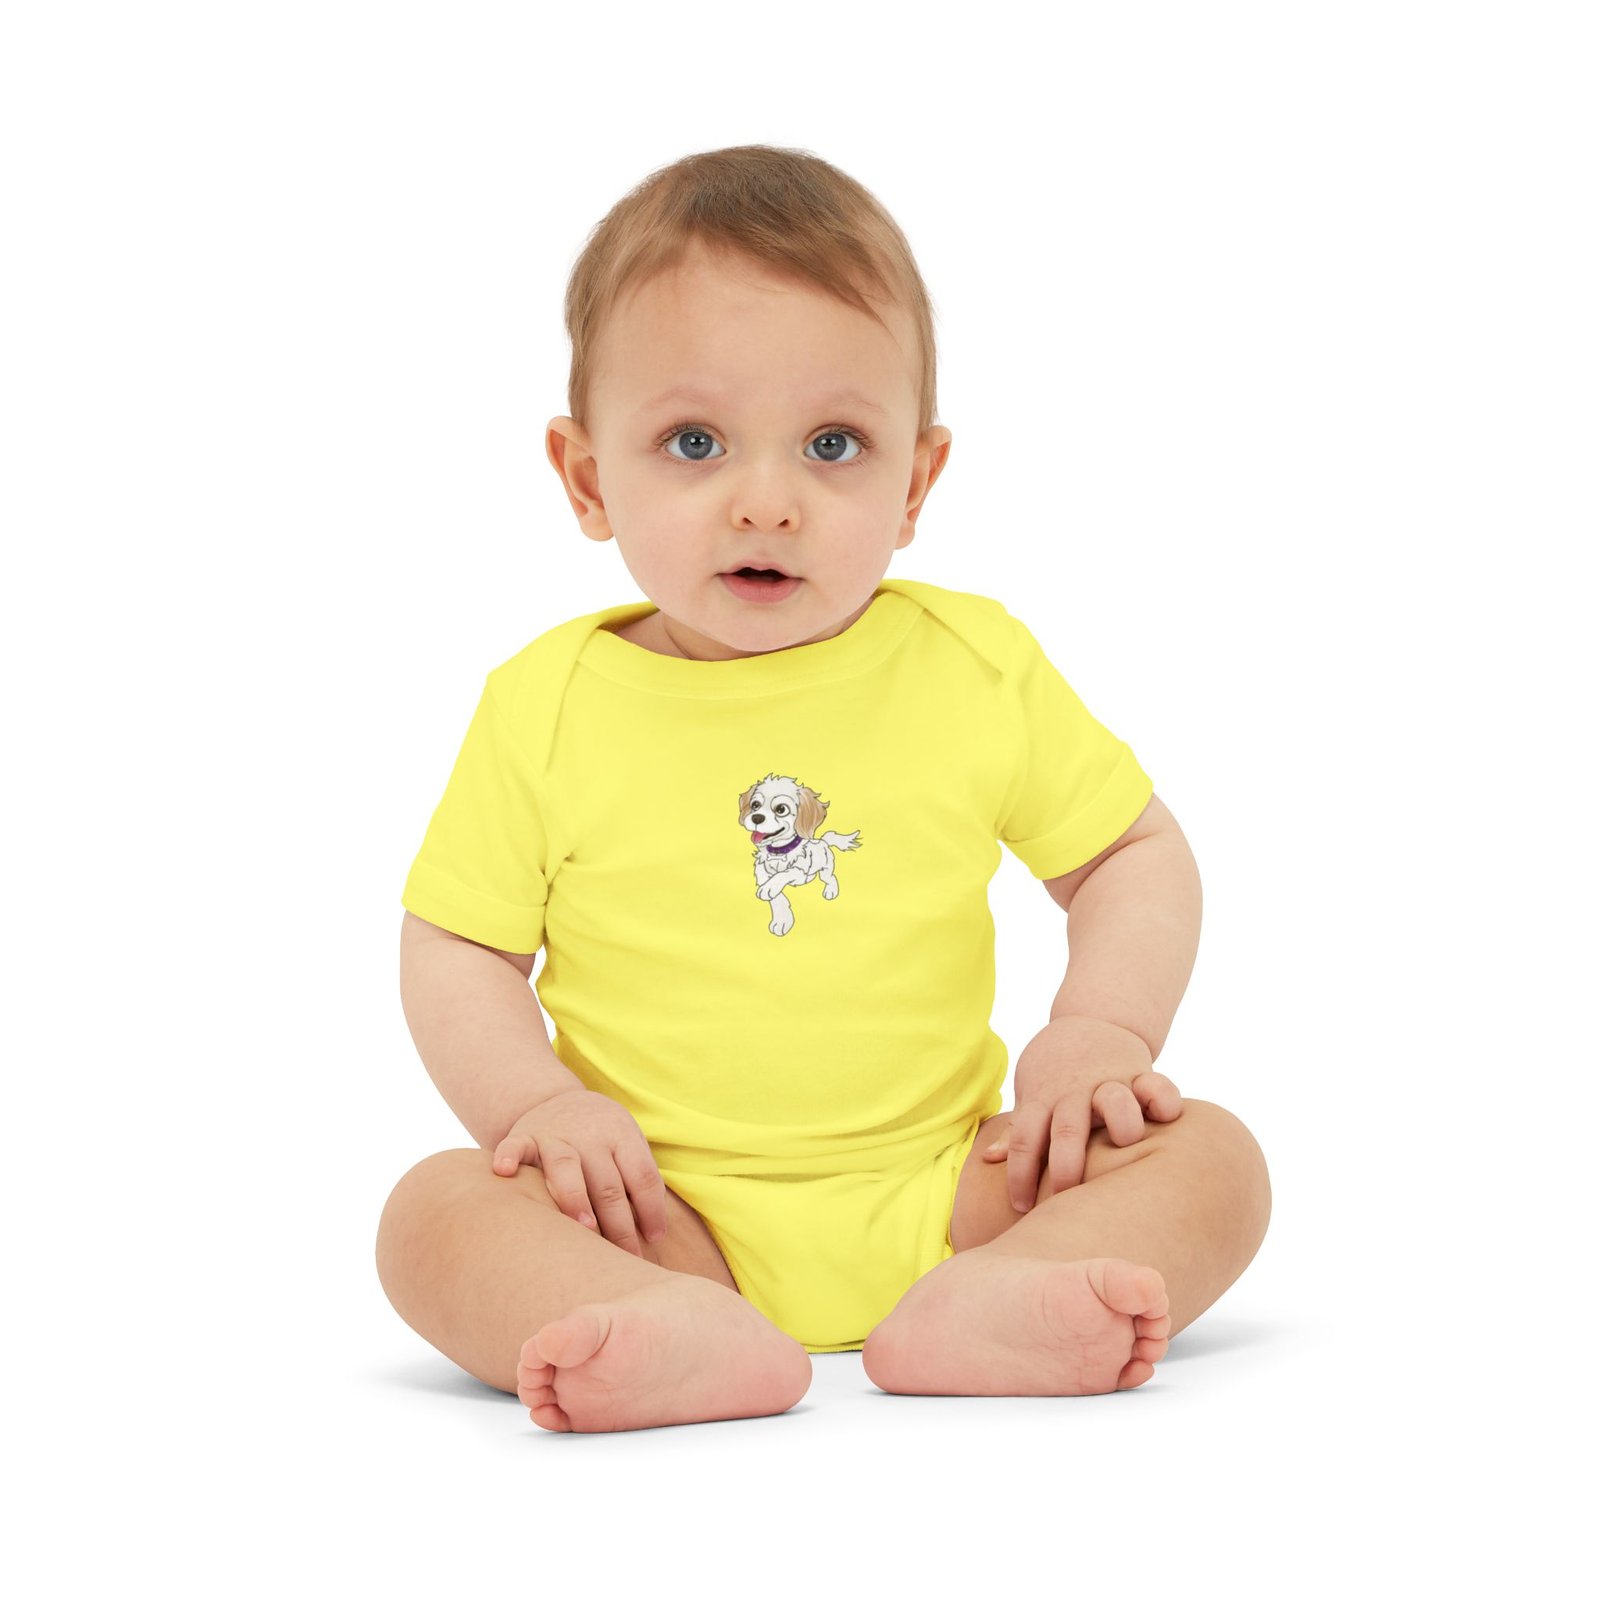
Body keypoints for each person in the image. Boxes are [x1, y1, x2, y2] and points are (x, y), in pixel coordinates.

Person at [375, 145, 1271, 1434]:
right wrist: (541, 1110)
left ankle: (1002, 1295)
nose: (767, 504)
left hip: (958, 1186)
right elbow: (459, 944)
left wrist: (1101, 1035)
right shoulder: (546, 705)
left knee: (1214, 1157)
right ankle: (669, 1322)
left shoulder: (971, 664)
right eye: (694, 443)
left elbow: (1131, 854)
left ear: (914, 483)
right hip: (651, 1210)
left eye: (833, 445)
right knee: (432, 1213)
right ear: (587, 479)